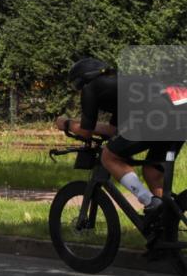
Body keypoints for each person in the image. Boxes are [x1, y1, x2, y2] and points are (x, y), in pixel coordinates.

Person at [56, 58, 185, 240]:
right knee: (152, 171)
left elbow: (85, 132)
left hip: (157, 114)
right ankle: (165, 229)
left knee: (109, 157)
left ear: (80, 81)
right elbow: (114, 131)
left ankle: (149, 202)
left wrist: (66, 123)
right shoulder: (121, 85)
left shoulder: (91, 87)